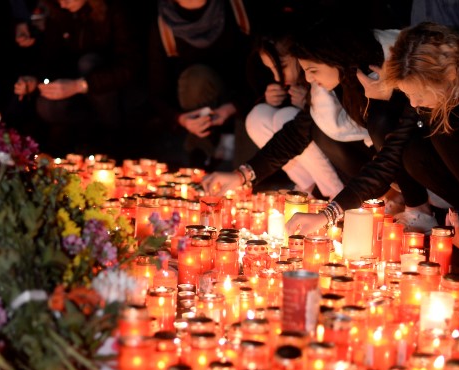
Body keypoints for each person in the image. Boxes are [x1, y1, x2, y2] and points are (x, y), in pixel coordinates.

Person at [286, 22, 459, 268]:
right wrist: (326, 214)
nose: (414, 104)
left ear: (446, 76)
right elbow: (388, 158)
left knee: (439, 131)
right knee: (413, 138)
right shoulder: (434, 89)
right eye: (408, 95)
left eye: (417, 94)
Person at [203, 21, 432, 215]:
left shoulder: (378, 72)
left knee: (376, 122)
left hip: (421, 163)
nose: (310, 79)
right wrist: (242, 175)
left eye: (312, 71)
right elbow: (296, 133)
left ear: (332, 58)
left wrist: (332, 212)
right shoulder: (334, 86)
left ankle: (416, 208)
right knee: (302, 122)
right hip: (381, 167)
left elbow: (396, 140)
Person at [12, 0, 140, 154]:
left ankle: (113, 144)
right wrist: (35, 81)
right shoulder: (60, 13)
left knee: (88, 63)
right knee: (46, 104)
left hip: (116, 97)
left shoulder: (116, 11)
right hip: (77, 98)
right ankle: (81, 145)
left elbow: (129, 68)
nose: (62, 4)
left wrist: (80, 85)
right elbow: (50, 60)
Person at [147, 0, 254, 168]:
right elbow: (157, 90)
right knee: (196, 78)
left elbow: (262, 71)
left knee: (250, 177)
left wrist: (230, 108)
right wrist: (181, 119)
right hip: (197, 109)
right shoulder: (163, 23)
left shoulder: (238, 9)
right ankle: (201, 157)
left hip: (247, 105)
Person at [244, 31, 343, 198]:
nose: (277, 77)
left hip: (340, 158)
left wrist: (309, 103)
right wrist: (271, 99)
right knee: (257, 116)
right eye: (271, 69)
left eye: (281, 67)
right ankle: (307, 188)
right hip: (305, 145)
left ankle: (335, 194)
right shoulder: (289, 82)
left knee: (286, 117)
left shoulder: (324, 76)